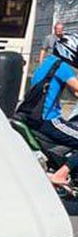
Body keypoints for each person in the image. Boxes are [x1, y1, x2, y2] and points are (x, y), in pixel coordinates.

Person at [21, 32, 78, 186]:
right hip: (49, 120)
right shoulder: (63, 66)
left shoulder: (48, 63)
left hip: (34, 116)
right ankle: (61, 174)